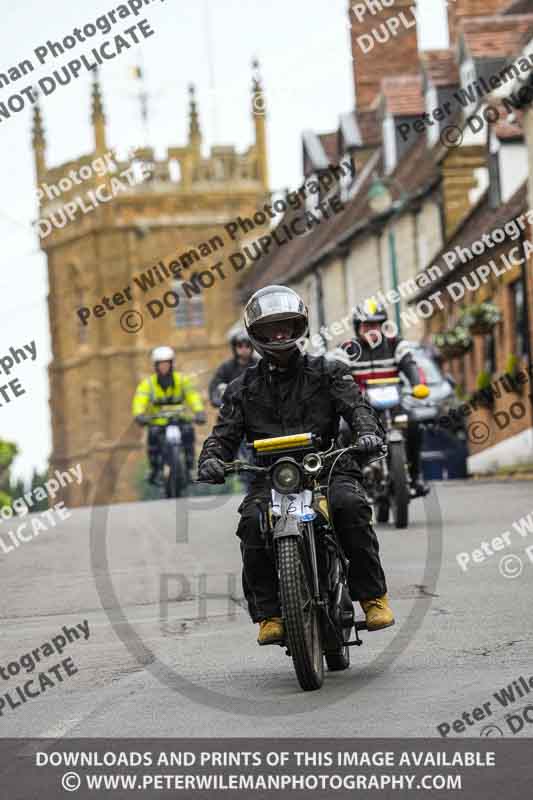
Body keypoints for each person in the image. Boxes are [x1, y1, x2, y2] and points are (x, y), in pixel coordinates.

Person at [197, 285, 394, 646]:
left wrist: (367, 432)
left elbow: (358, 408)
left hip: (329, 466)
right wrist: (211, 458)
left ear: (299, 327)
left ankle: (372, 597)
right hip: (271, 475)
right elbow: (223, 434)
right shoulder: (242, 388)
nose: (279, 335)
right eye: (271, 329)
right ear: (255, 334)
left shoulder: (329, 372)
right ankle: (270, 613)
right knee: (252, 524)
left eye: (286, 326)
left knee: (350, 506)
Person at [341, 300, 430, 497]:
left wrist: (417, 384)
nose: (371, 330)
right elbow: (338, 375)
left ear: (382, 326)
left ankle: (416, 476)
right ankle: (351, 481)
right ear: (357, 328)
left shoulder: (396, 344)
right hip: (362, 409)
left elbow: (410, 364)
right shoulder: (348, 350)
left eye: (375, 325)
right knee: (344, 431)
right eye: (366, 325)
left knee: (414, 424)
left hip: (394, 406)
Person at [132, 346, 206, 485]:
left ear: (172, 364)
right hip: (158, 422)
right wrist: (139, 415)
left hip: (179, 419)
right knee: (152, 437)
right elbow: (140, 399)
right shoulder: (148, 384)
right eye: (161, 364)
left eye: (167, 363)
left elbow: (192, 396)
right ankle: (154, 470)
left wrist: (199, 411)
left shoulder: (182, 380)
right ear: (156, 366)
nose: (164, 367)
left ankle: (190, 468)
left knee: (188, 432)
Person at [208, 329, 256, 408]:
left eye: (247, 345)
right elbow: (216, 384)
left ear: (252, 347)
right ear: (234, 348)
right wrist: (216, 398)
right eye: (240, 346)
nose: (244, 349)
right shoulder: (226, 367)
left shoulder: (259, 365)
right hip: (232, 409)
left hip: (255, 409)